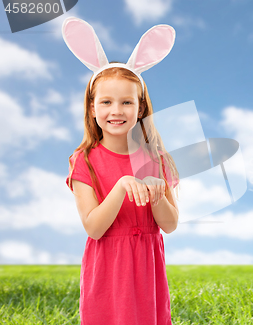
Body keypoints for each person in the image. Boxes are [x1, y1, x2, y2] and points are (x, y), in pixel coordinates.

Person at [62, 17, 179, 325]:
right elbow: (94, 228)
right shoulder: (84, 160)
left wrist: (156, 195)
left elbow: (170, 224)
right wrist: (122, 186)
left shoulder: (157, 158)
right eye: (106, 102)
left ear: (140, 108)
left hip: (147, 272)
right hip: (108, 273)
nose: (116, 110)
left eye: (127, 102)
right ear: (92, 108)